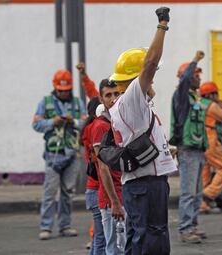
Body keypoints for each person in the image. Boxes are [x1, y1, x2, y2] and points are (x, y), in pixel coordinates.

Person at [107, 7, 176, 255]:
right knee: (149, 240)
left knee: (144, 237)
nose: (154, 78)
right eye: (152, 75)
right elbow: (150, 62)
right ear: (137, 78)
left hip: (144, 183)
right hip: (145, 184)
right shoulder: (131, 99)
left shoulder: (131, 104)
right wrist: (163, 25)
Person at [32, 69, 86, 240]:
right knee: (50, 192)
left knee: (67, 192)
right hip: (52, 155)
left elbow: (85, 122)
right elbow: (36, 124)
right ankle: (46, 227)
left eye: (66, 90)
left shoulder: (77, 103)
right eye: (61, 90)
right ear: (55, 88)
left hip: (72, 154)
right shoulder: (45, 102)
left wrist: (73, 121)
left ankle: (65, 226)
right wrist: (51, 122)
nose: (64, 93)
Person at [170, 50, 211, 243]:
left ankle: (192, 226)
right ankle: (185, 229)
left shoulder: (195, 98)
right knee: (188, 193)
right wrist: (195, 60)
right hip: (187, 150)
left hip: (197, 150)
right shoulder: (181, 97)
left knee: (197, 193)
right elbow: (185, 79)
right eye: (196, 75)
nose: (198, 78)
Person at [91, 79, 124, 255]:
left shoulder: (117, 121)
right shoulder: (101, 126)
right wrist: (115, 202)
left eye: (116, 93)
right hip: (112, 198)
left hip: (124, 192)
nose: (113, 98)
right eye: (108, 95)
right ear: (101, 99)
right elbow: (103, 169)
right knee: (115, 249)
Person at [198, 81, 222, 214]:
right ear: (211, 95)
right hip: (210, 138)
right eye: (216, 93)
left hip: (200, 139)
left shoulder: (199, 103)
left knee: (205, 171)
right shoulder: (212, 106)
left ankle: (202, 204)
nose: (218, 96)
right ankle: (207, 194)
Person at [82, 96, 106, 254]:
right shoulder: (97, 129)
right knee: (100, 238)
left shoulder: (88, 129)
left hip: (92, 189)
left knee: (98, 237)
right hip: (96, 189)